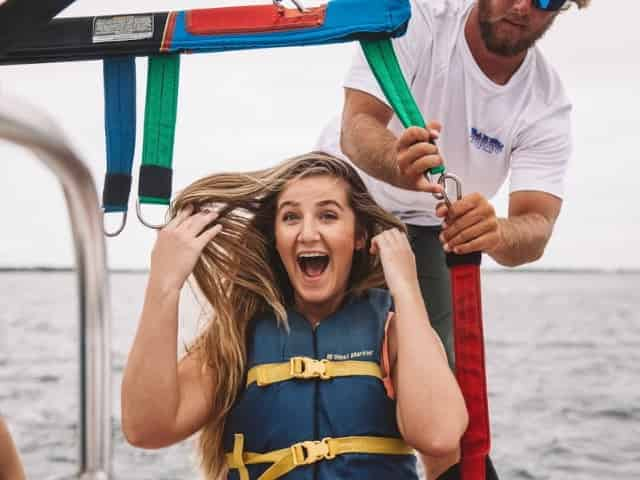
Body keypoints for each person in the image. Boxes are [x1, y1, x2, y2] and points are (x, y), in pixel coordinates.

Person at [121, 152, 468, 480]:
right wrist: (164, 284)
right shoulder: (237, 333)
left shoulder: (394, 327)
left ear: (359, 236)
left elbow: (438, 436)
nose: (307, 233)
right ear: (275, 238)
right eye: (290, 217)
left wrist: (405, 287)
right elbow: (146, 428)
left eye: (328, 216)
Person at [317, 0, 591, 370]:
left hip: (429, 229)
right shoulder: (416, 19)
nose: (523, 6)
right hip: (338, 192)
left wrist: (494, 232)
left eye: (547, 0)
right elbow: (358, 124)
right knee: (288, 341)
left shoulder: (546, 105)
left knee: (432, 372)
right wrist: (397, 163)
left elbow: (537, 226)